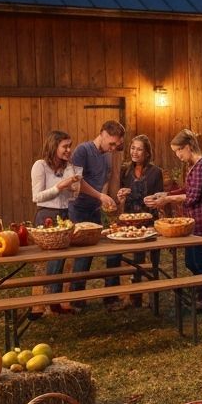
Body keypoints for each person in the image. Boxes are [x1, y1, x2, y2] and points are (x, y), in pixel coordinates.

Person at [30, 130, 106, 318]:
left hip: (65, 215)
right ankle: (46, 304)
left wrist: (77, 189)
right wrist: (60, 186)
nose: (68, 150)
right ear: (53, 146)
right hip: (47, 216)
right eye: (65, 146)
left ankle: (56, 302)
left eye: (69, 146)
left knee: (63, 259)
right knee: (53, 261)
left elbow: (77, 189)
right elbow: (37, 197)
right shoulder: (40, 166)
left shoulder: (69, 166)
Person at [152, 129, 202, 312]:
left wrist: (167, 200)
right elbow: (186, 188)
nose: (178, 156)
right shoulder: (194, 165)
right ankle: (201, 291)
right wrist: (166, 193)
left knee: (200, 260)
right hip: (194, 222)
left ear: (189, 146)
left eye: (179, 151)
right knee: (190, 262)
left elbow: (192, 197)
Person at [66, 120, 122, 309]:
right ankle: (76, 301)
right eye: (112, 143)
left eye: (116, 145)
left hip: (94, 209)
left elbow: (103, 180)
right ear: (102, 134)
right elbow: (76, 182)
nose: (113, 148)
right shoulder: (83, 151)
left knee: (108, 249)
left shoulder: (107, 155)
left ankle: (110, 296)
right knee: (83, 254)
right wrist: (100, 195)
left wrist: (103, 199)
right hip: (78, 208)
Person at [116, 134, 165, 307]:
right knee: (137, 258)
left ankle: (154, 297)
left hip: (150, 220)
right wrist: (120, 195)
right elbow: (120, 194)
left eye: (139, 149)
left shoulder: (155, 172)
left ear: (147, 153)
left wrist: (155, 200)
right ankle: (136, 296)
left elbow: (160, 196)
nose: (135, 152)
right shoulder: (125, 170)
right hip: (131, 221)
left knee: (154, 259)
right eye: (133, 148)